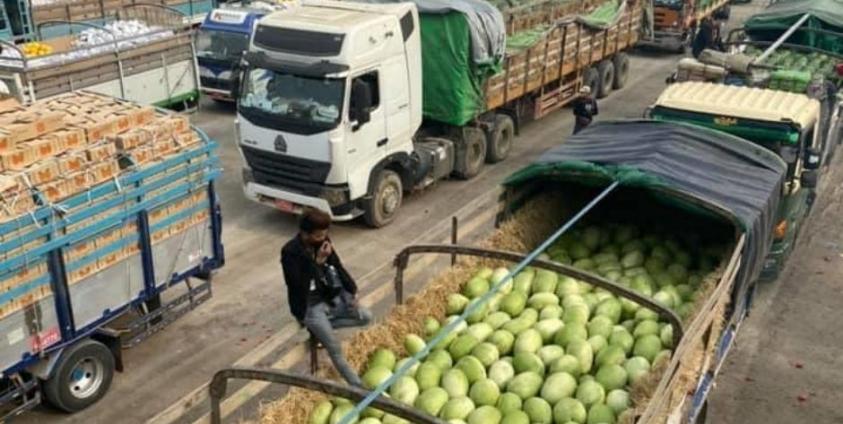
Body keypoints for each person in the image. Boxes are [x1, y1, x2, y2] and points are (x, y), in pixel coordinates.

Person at [281, 208, 372, 386]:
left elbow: (337, 265)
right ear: (305, 233)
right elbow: (297, 284)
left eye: (325, 234)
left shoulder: (322, 242)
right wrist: (317, 263)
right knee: (335, 348)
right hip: (308, 305)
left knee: (365, 316)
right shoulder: (290, 252)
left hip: (327, 298)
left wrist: (352, 290)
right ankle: (359, 388)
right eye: (318, 235)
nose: (323, 238)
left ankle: (321, 330)